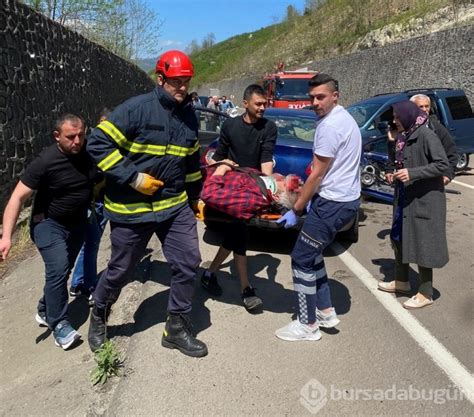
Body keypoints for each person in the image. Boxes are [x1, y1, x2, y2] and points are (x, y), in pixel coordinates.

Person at [86, 50, 207, 357]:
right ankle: (99, 314)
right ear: (160, 79)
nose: (182, 87)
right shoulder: (136, 109)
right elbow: (97, 143)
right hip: (131, 208)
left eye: (186, 81)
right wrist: (133, 178)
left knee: (189, 262)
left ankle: (175, 328)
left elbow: (191, 161)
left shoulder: (189, 115)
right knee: (122, 270)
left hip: (174, 205)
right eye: (176, 82)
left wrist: (196, 198)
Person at [274, 74, 361, 342]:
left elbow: (317, 175)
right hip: (344, 199)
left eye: (321, 97)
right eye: (311, 97)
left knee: (301, 257)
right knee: (312, 254)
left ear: (335, 95)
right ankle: (324, 310)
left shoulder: (330, 127)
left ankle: (307, 324)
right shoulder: (343, 118)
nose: (315, 102)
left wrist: (297, 208)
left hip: (332, 203)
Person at [0, 114, 95, 350]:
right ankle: (60, 324)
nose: (77, 141)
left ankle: (45, 309)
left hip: (77, 224)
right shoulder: (45, 161)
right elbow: (17, 198)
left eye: (81, 135)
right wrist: (6, 237)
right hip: (48, 224)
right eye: (70, 137)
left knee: (62, 272)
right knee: (59, 267)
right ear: (57, 136)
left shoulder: (87, 155)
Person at [201, 84, 277, 311]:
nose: (263, 108)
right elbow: (220, 157)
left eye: (265, 104)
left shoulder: (269, 128)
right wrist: (220, 169)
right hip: (232, 191)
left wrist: (269, 190)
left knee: (236, 234)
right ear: (245, 104)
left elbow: (266, 160)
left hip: (252, 189)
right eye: (258, 104)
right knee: (240, 234)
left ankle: (209, 273)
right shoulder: (231, 126)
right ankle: (246, 289)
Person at [378, 100, 449, 309]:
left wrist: (412, 173)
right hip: (405, 196)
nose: (394, 121)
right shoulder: (403, 136)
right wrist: (393, 172)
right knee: (399, 237)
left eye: (396, 117)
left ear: (407, 116)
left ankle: (426, 292)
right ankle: (402, 281)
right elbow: (400, 160)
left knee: (422, 241)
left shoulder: (426, 135)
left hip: (424, 198)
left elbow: (442, 164)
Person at [69, 108, 112, 302]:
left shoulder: (90, 142)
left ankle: (79, 282)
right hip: (96, 201)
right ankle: (88, 284)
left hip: (92, 201)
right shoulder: (98, 144)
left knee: (88, 244)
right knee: (91, 244)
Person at [200, 161, 302, 220]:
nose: (280, 176)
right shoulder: (259, 178)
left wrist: (222, 168)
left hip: (193, 188)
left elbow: (209, 194)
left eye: (284, 182)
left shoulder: (249, 200)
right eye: (284, 176)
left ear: (276, 197)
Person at [409, 94, 458, 184]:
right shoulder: (404, 128)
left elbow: (451, 153)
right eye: (420, 106)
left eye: (427, 106)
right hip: (409, 180)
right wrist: (390, 170)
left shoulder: (437, 128)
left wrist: (448, 174)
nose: (424, 109)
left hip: (431, 181)